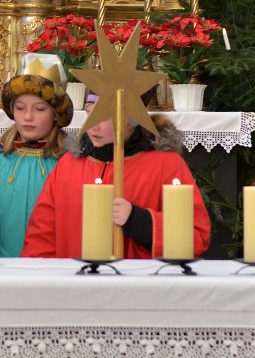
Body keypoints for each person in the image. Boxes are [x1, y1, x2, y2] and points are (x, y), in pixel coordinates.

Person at [22, 91, 210, 259]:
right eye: (89, 113)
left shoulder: (166, 165)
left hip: (138, 283)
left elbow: (195, 237)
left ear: (131, 121)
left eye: (103, 117)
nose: (92, 126)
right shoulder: (69, 164)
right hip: (76, 283)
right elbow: (41, 237)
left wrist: (138, 220)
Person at [0, 54, 73, 256]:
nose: (28, 116)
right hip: (1, 268)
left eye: (39, 109)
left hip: (55, 268)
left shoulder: (70, 166)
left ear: (55, 115)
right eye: (20, 108)